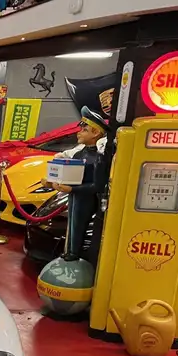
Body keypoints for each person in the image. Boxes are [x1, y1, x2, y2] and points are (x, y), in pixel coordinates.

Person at [43, 106, 109, 261]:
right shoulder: (79, 153)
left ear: (95, 133)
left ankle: (74, 252)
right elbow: (68, 174)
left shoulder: (99, 158)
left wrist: (72, 189)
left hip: (87, 197)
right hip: (75, 195)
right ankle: (70, 250)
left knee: (79, 224)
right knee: (72, 222)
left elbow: (97, 185)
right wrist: (52, 182)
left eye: (84, 130)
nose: (79, 133)